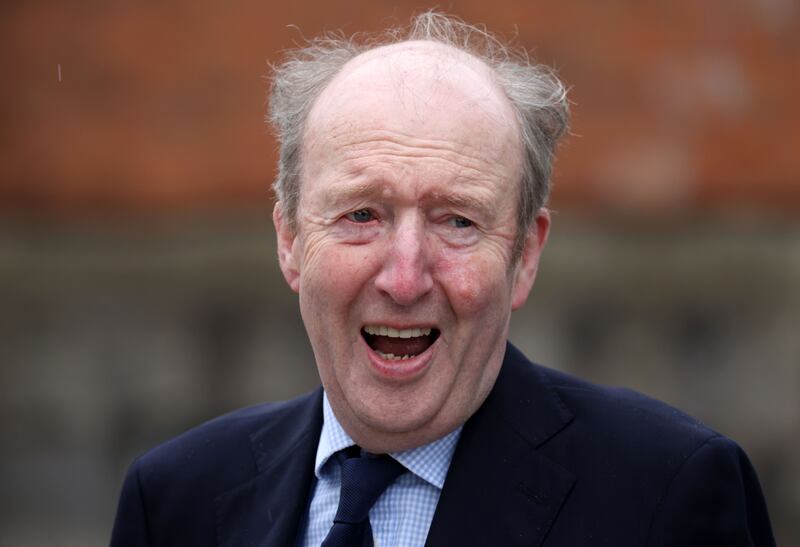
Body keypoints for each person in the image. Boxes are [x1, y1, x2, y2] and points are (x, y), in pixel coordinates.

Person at [111, 11, 775, 546]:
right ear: (289, 238)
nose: (404, 278)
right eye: (362, 214)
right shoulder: (175, 500)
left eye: (457, 220)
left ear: (524, 256)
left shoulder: (667, 495)